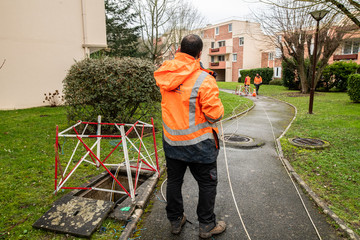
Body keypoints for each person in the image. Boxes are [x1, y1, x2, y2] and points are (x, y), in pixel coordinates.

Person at [154, 34, 226, 239]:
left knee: (174, 181)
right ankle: (206, 225)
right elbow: (215, 114)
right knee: (207, 184)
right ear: (200, 53)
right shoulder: (205, 79)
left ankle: (175, 221)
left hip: (172, 141)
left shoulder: (166, 74)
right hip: (200, 145)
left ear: (178, 49)